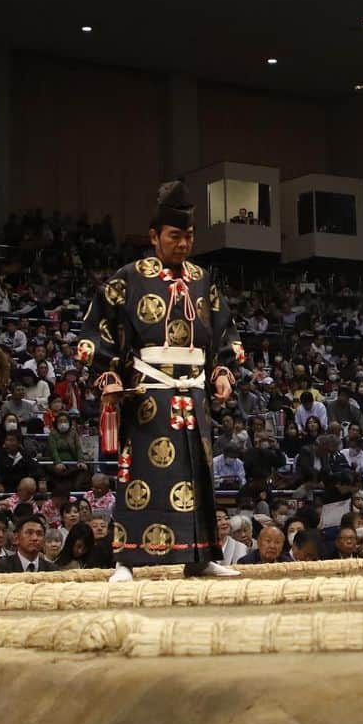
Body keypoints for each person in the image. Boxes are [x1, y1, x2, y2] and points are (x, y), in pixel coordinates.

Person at [76, 180, 246, 581]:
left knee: (198, 473)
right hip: (149, 395)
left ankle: (200, 556)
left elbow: (225, 333)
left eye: (189, 236)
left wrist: (222, 371)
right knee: (142, 475)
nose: (183, 244)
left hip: (195, 394)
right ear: (154, 236)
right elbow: (95, 331)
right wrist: (108, 376)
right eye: (175, 236)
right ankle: (126, 560)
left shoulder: (203, 280)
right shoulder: (129, 277)